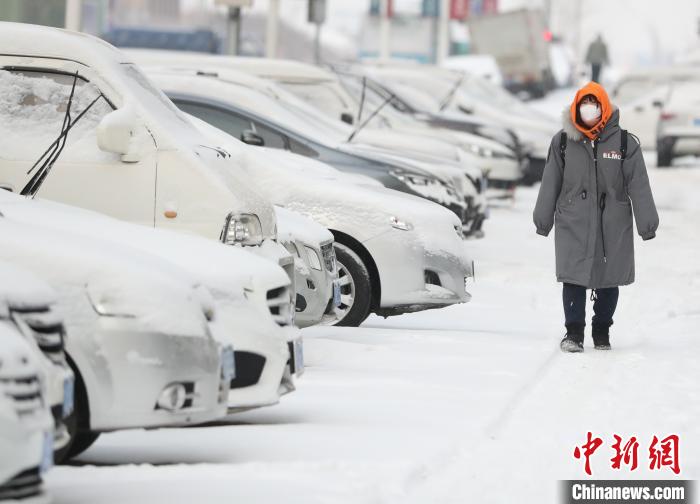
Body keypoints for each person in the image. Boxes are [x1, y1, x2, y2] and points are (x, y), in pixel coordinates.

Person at [533, 82, 659, 353]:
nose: (589, 110)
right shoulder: (564, 141)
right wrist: (543, 219)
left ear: (603, 108)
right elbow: (550, 180)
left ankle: (602, 330)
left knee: (609, 278)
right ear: (576, 108)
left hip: (612, 223)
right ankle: (573, 333)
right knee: (573, 276)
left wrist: (647, 224)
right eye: (584, 105)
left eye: (594, 105)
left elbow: (639, 183)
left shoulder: (625, 142)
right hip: (573, 221)